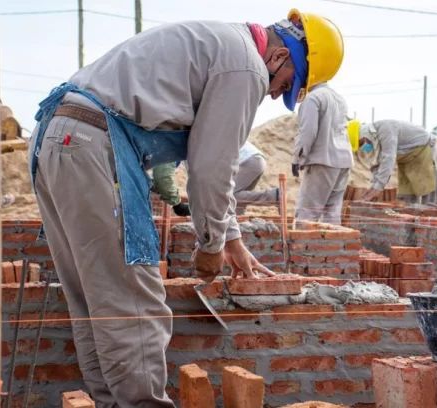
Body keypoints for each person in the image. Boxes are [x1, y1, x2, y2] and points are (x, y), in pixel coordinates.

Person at [27, 10, 344, 407]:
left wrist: (231, 239)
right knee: (133, 303)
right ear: (281, 58)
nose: (277, 94)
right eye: (287, 84)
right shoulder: (245, 67)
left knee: (96, 299)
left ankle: (112, 402)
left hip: (57, 139)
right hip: (91, 143)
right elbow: (212, 167)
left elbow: (210, 161)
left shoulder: (223, 44)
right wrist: (210, 245)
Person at [292, 81, 352, 225]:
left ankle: (303, 247)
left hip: (322, 161)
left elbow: (308, 132)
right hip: (343, 161)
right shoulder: (338, 98)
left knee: (307, 214)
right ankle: (332, 246)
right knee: (332, 215)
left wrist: (298, 158)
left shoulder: (313, 98)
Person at [349, 119, 437, 205]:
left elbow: (389, 158)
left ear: (364, 133)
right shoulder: (375, 141)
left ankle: (436, 220)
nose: (362, 147)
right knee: (406, 198)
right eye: (359, 146)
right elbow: (376, 166)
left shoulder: (385, 129)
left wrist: (378, 187)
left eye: (361, 143)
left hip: (424, 150)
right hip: (408, 160)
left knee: (430, 194)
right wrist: (372, 187)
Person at [235, 141, 279, 214]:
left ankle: (274, 195)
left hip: (248, 161)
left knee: (230, 195)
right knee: (240, 197)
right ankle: (239, 219)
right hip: (257, 160)